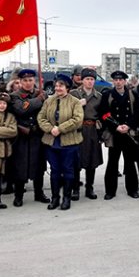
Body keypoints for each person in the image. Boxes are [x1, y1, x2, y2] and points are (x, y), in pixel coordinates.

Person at [37, 74, 84, 210]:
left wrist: (61, 129)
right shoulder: (49, 101)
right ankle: (55, 198)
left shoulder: (75, 102)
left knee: (68, 170)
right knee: (55, 171)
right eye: (56, 86)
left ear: (67, 88)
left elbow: (77, 119)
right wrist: (51, 129)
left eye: (61, 86)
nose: (58, 88)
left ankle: (67, 198)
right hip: (52, 142)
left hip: (69, 142)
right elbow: (41, 117)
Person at [100, 70, 139, 200]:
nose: (118, 82)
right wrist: (116, 127)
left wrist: (129, 125)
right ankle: (110, 191)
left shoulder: (133, 94)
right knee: (112, 163)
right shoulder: (107, 94)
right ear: (113, 81)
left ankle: (132, 189)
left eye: (121, 80)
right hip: (114, 134)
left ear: (125, 81)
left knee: (130, 163)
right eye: (116, 80)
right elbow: (103, 113)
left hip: (128, 133)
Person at [9, 69, 50, 206]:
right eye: (25, 80)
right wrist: (38, 100)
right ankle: (18, 195)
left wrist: (41, 98)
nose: (28, 83)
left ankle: (39, 193)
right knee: (20, 167)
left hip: (37, 135)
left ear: (35, 81)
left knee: (39, 166)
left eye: (30, 80)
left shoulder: (42, 94)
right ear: (20, 82)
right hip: (22, 135)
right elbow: (22, 109)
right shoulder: (15, 96)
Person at [70, 68, 104, 199]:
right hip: (77, 129)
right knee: (76, 160)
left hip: (92, 130)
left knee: (92, 160)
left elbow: (102, 115)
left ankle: (89, 187)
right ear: (82, 80)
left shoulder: (98, 96)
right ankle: (75, 189)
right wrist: (78, 105)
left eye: (92, 79)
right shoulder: (73, 94)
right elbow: (66, 110)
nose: (90, 82)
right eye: (87, 79)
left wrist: (101, 133)